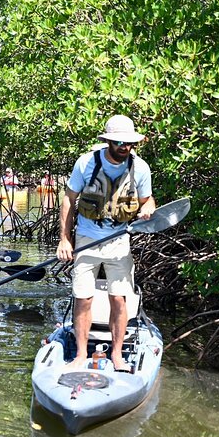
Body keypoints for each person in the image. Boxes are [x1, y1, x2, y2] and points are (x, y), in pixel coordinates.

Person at [56, 115, 156, 372]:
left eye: (130, 143)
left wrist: (149, 209)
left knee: (119, 299)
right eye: (120, 142)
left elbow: (148, 200)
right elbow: (68, 199)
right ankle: (79, 355)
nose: (125, 147)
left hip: (119, 240)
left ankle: (118, 354)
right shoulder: (86, 163)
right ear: (109, 141)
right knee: (83, 298)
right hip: (87, 239)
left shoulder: (140, 168)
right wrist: (64, 239)